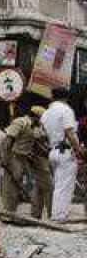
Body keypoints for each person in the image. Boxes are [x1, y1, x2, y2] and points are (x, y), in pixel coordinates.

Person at [41, 88, 83, 221]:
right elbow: (70, 132)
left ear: (52, 97)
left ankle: (56, 214)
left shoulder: (46, 113)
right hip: (65, 151)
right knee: (64, 185)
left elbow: (43, 133)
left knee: (58, 184)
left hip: (52, 150)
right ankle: (59, 215)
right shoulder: (66, 110)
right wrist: (79, 150)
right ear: (66, 98)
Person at [30, 105, 54, 219]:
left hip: (40, 159)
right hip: (40, 159)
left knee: (38, 187)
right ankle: (51, 213)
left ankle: (35, 213)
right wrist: (48, 151)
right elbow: (40, 146)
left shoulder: (39, 128)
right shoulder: (35, 129)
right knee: (49, 187)